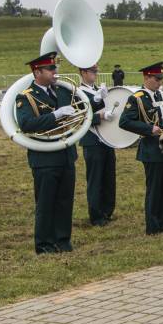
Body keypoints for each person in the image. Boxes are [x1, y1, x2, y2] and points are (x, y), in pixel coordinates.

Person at [15, 52, 78, 254]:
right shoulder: (26, 97)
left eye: (54, 68)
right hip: (45, 158)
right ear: (37, 71)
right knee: (46, 202)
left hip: (66, 154)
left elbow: (82, 108)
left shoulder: (61, 91)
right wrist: (55, 115)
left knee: (65, 200)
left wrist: (99, 101)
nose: (54, 72)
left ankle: (62, 240)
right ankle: (44, 244)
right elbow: (26, 124)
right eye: (50, 69)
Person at [119, 62, 163, 235]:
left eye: (161, 78)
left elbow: (161, 115)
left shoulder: (158, 95)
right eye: (157, 78)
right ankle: (153, 226)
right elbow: (125, 121)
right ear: (146, 78)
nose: (159, 82)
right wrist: (149, 129)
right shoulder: (136, 98)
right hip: (151, 149)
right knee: (155, 188)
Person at [78, 64, 115, 226]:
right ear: (83, 72)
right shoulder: (77, 93)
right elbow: (80, 117)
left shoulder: (98, 90)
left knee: (109, 177)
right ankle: (96, 215)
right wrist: (99, 114)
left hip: (107, 138)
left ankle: (107, 211)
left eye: (96, 71)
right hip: (92, 140)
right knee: (95, 179)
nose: (95, 74)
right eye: (92, 72)